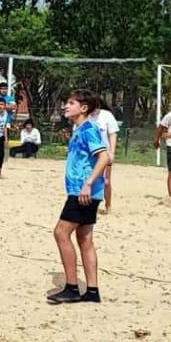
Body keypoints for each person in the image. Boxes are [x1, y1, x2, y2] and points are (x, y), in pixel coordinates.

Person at [47, 90, 110, 305]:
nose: (66, 106)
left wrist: (88, 184)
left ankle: (72, 287)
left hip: (83, 192)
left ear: (83, 108)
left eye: (71, 103)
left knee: (60, 233)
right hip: (84, 191)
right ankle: (92, 291)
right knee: (84, 239)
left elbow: (104, 157)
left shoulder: (88, 129)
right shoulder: (79, 129)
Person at [92, 105, 121, 213]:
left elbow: (112, 135)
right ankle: (91, 204)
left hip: (104, 153)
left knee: (106, 181)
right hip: (89, 154)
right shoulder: (84, 116)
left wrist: (112, 152)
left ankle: (108, 204)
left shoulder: (106, 115)